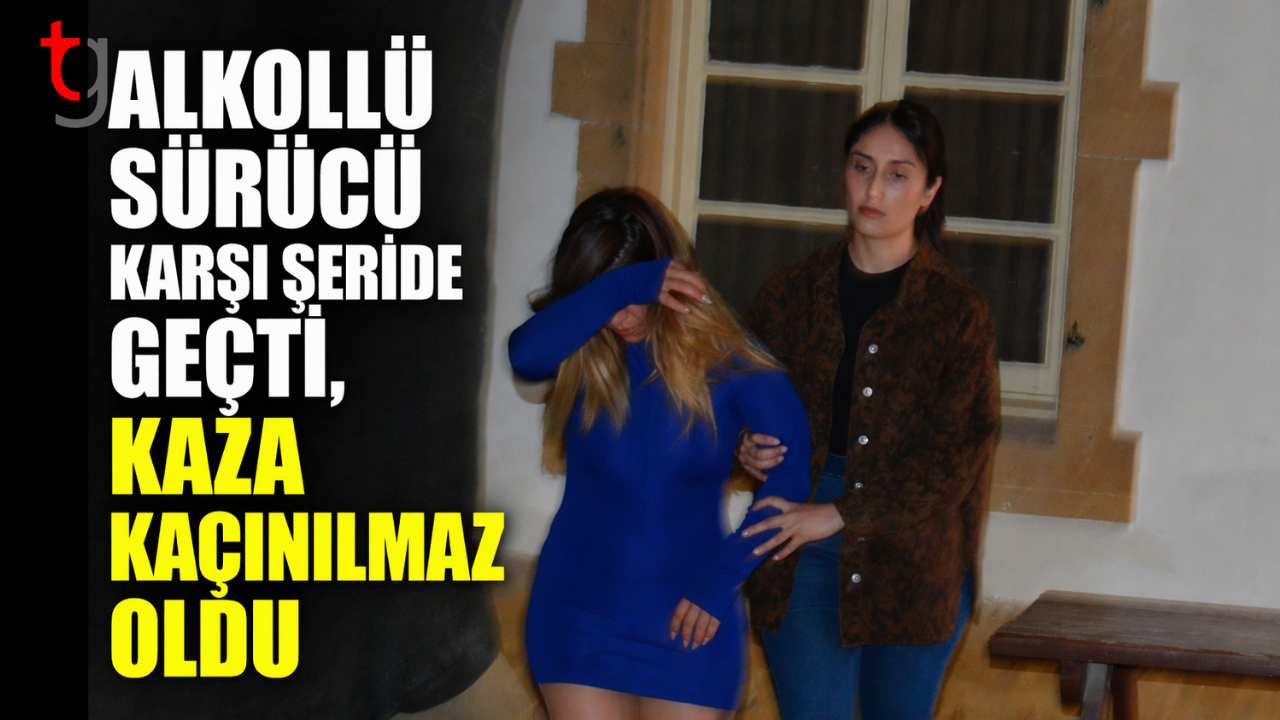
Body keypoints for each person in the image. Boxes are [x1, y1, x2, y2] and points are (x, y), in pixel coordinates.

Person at [735, 100, 1000, 720]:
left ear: (929, 192)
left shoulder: (959, 310)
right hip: (797, 538)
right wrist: (743, 445)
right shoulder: (788, 292)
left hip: (915, 554)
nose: (874, 190)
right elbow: (731, 400)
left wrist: (840, 513)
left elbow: (955, 456)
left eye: (898, 174)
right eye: (862, 168)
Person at [508, 189, 813, 719]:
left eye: (634, 296)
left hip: (692, 619)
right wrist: (621, 287)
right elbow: (524, 358)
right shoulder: (583, 352)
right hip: (576, 616)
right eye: (605, 298)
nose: (619, 317)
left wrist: (720, 583)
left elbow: (792, 479)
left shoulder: (732, 362)